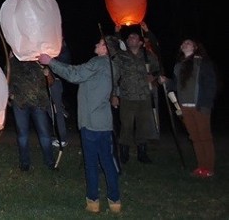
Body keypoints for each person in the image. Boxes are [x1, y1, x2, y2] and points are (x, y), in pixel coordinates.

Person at [40, 39, 121, 214]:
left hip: (91, 122)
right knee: (107, 161)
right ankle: (115, 201)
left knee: (91, 163)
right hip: (105, 122)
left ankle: (93, 201)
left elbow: (75, 74)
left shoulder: (98, 62)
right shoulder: (113, 66)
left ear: (107, 49)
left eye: (100, 43)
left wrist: (51, 61)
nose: (96, 45)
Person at [107, 25, 160, 164]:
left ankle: (142, 154)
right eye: (129, 37)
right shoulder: (121, 56)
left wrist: (153, 76)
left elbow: (157, 69)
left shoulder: (148, 56)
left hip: (144, 97)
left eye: (134, 37)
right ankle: (124, 154)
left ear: (141, 42)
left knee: (143, 126)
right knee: (126, 126)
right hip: (126, 96)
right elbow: (114, 75)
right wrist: (114, 94)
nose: (130, 39)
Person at [166, 38, 217, 178]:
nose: (184, 44)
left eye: (188, 43)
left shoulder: (203, 63)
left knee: (204, 137)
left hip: (200, 105)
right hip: (184, 106)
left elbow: (211, 85)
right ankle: (201, 167)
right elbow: (176, 86)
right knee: (194, 137)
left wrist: (206, 104)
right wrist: (166, 81)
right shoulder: (179, 66)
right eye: (183, 43)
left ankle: (209, 168)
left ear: (195, 47)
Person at [9, 54, 55, 171]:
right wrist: (10, 95)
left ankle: (50, 162)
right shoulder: (13, 62)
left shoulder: (39, 61)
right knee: (22, 135)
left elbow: (50, 82)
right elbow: (7, 79)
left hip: (38, 103)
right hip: (20, 104)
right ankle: (24, 163)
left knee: (44, 133)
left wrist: (47, 73)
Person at [48, 39, 71, 148]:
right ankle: (62, 109)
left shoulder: (63, 52)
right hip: (47, 83)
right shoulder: (53, 51)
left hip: (55, 83)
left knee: (56, 112)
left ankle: (62, 139)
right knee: (49, 109)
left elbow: (60, 68)